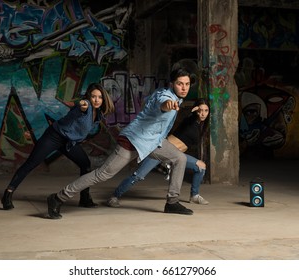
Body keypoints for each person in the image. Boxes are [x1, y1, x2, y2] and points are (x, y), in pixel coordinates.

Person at [46, 67, 194, 219]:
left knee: (179, 158)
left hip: (152, 142)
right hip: (132, 141)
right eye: (179, 84)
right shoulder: (165, 96)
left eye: (187, 84)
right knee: (102, 174)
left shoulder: (176, 98)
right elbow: (163, 103)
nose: (183, 88)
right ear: (171, 84)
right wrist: (167, 105)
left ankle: (172, 202)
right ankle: (58, 198)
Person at [1, 83, 115, 210]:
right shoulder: (85, 106)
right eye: (93, 97)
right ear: (88, 97)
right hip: (54, 137)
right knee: (31, 163)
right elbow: (81, 105)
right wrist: (83, 103)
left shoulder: (98, 113)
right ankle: (7, 194)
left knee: (85, 164)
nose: (97, 100)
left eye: (99, 97)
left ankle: (85, 198)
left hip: (69, 142)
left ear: (103, 98)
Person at [106, 98, 210, 207]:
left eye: (205, 111)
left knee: (201, 167)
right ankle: (114, 196)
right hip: (162, 150)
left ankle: (194, 196)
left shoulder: (200, 126)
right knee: (139, 176)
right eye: (200, 110)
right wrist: (191, 112)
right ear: (195, 110)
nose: (202, 113)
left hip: (177, 156)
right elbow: (186, 119)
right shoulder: (189, 121)